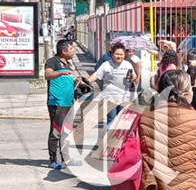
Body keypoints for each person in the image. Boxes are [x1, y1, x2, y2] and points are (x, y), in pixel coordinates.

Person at [43, 39, 82, 169]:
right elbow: (48, 75)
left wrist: (78, 83)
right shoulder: (52, 61)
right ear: (64, 51)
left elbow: (70, 80)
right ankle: (53, 159)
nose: (74, 51)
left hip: (68, 102)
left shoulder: (69, 64)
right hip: (56, 103)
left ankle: (66, 158)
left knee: (67, 132)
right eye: (72, 49)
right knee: (56, 131)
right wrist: (61, 72)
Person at [89, 42, 136, 124]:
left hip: (124, 97)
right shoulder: (106, 65)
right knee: (111, 119)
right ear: (112, 54)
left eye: (121, 54)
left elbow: (134, 77)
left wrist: (132, 77)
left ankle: (118, 136)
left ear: (124, 54)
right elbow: (96, 76)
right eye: (117, 54)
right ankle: (108, 136)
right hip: (110, 97)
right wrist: (85, 82)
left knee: (121, 120)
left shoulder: (128, 65)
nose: (119, 56)